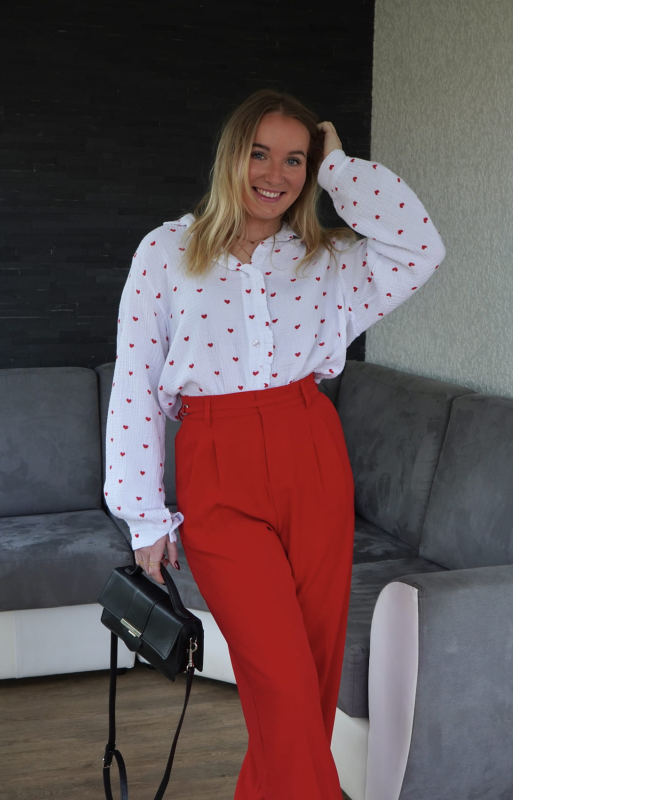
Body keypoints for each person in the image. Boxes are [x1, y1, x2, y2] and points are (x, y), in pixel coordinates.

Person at [104, 88, 446, 800]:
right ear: (232, 155)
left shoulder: (328, 259)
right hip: (217, 465)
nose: (275, 173)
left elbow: (421, 246)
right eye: (260, 153)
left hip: (311, 451)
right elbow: (135, 383)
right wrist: (143, 514)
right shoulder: (166, 251)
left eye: (296, 159)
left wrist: (340, 167)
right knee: (282, 680)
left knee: (311, 678)